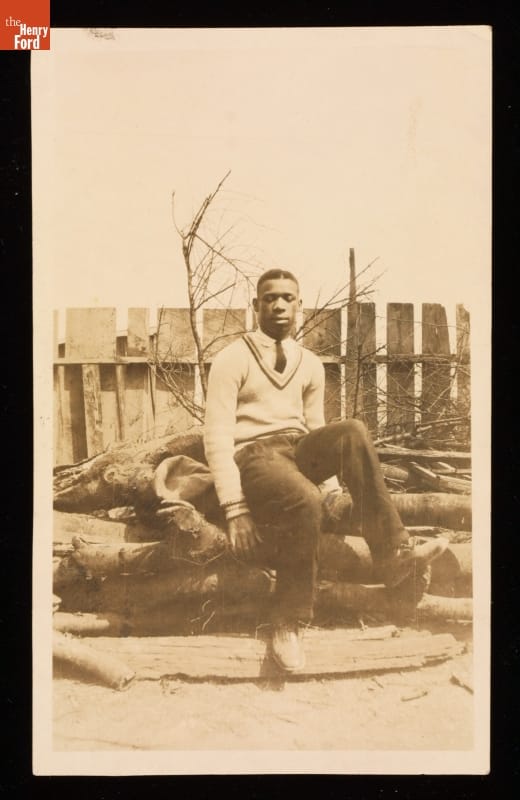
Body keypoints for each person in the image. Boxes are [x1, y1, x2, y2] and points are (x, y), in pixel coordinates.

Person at [203, 269, 447, 672]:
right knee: (304, 499)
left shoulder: (310, 363)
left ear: (299, 305)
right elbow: (216, 435)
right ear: (256, 305)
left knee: (352, 431)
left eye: (287, 298)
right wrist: (235, 507)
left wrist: (332, 489)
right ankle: (288, 621)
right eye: (269, 298)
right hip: (254, 455)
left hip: (296, 448)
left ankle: (393, 556)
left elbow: (316, 429)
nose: (279, 306)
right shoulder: (233, 358)